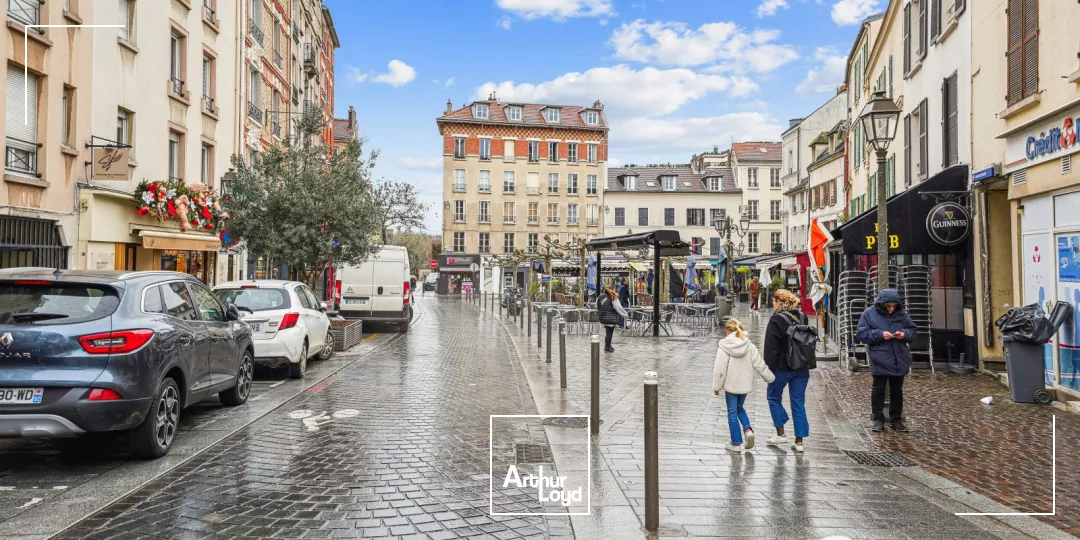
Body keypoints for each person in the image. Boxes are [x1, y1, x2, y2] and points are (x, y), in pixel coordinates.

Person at [856, 289, 917, 433]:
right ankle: (878, 419)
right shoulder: (869, 313)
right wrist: (881, 335)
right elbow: (861, 333)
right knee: (879, 389)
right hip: (880, 357)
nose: (891, 309)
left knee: (897, 390)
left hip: (899, 357)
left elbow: (912, 331)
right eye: (888, 306)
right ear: (882, 305)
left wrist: (904, 334)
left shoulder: (902, 315)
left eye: (893, 306)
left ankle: (896, 420)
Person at [713, 318, 775, 453]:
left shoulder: (724, 346)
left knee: (732, 412)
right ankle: (748, 430)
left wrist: (717, 387)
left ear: (728, 330)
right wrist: (770, 378)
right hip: (745, 385)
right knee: (739, 407)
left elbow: (720, 369)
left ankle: (735, 443)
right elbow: (759, 364)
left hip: (731, 385)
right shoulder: (749, 345)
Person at [763, 289, 810, 452]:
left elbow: (770, 348)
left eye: (773, 301)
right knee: (798, 402)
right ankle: (799, 442)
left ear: (778, 302)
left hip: (782, 367)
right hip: (802, 367)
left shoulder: (776, 319)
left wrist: (769, 369)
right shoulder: (803, 317)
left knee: (773, 397)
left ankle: (781, 433)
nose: (772, 304)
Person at [597, 284, 628, 352]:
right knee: (609, 332)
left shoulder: (600, 297)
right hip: (611, 317)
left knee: (608, 331)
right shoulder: (613, 296)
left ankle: (608, 345)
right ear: (612, 289)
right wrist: (625, 314)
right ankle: (607, 346)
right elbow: (618, 307)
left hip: (603, 317)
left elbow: (597, 306)